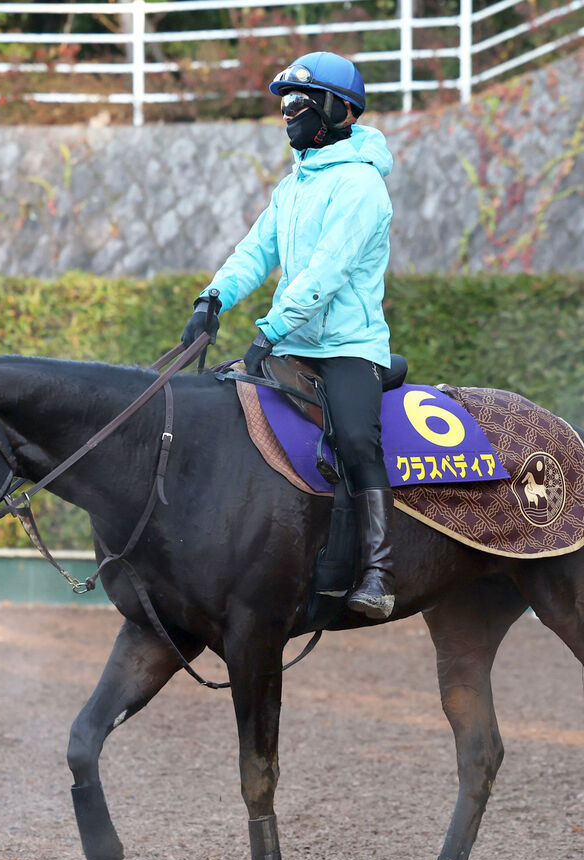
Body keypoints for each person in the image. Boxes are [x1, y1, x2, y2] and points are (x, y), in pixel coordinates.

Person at [180, 51, 397, 620]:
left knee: (355, 442)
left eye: (300, 103)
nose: (288, 113)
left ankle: (378, 569)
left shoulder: (361, 187)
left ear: (336, 108)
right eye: (284, 104)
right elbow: (256, 251)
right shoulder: (294, 185)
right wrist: (213, 298)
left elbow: (324, 275)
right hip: (292, 344)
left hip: (349, 350)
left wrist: (268, 331)